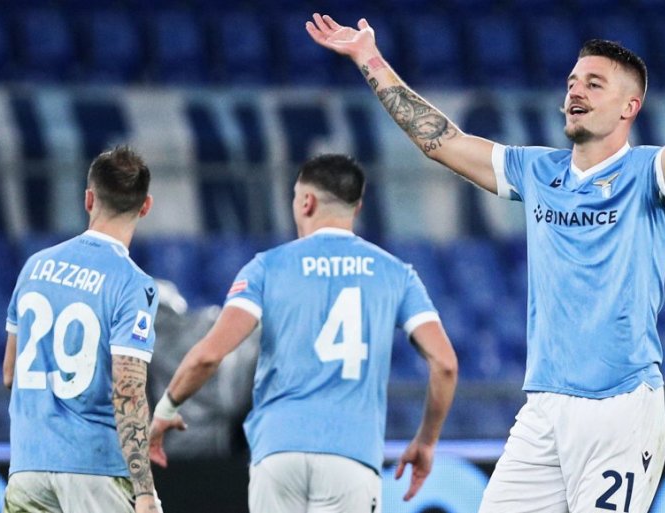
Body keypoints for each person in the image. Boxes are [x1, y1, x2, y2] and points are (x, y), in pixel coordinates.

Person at [307, 14, 665, 513]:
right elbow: (441, 141)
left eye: (594, 84)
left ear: (630, 107)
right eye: (573, 81)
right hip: (543, 409)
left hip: (618, 411)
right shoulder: (537, 170)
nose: (575, 91)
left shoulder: (645, 172)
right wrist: (370, 58)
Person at [149, 154, 458, 512]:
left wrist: (166, 409)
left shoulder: (267, 267)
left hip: (278, 452)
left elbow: (209, 355)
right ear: (356, 207)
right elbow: (445, 364)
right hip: (352, 456)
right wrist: (426, 441)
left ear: (306, 202)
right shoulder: (397, 274)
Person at [2, 146, 162, 513]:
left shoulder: (34, 267)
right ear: (145, 206)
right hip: (95, 471)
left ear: (89, 199)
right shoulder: (133, 285)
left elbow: (10, 373)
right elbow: (127, 390)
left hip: (28, 467)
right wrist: (144, 492)